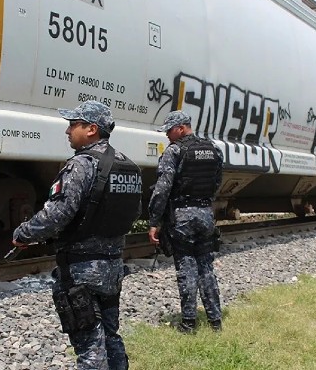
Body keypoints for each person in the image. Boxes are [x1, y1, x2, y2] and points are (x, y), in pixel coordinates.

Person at [12, 100, 141, 369]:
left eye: (73, 125)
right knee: (110, 335)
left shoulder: (81, 165)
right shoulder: (129, 166)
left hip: (81, 269)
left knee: (89, 348)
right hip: (113, 266)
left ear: (92, 129)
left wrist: (23, 234)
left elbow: (58, 213)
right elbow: (135, 212)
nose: (67, 131)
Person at [148, 110, 224, 333]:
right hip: (205, 214)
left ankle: (189, 323)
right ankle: (215, 321)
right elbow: (217, 181)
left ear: (181, 128)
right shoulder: (213, 149)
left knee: (186, 268)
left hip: (182, 216)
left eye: (169, 131)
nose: (167, 136)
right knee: (206, 268)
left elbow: (162, 189)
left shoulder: (175, 151)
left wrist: (154, 221)